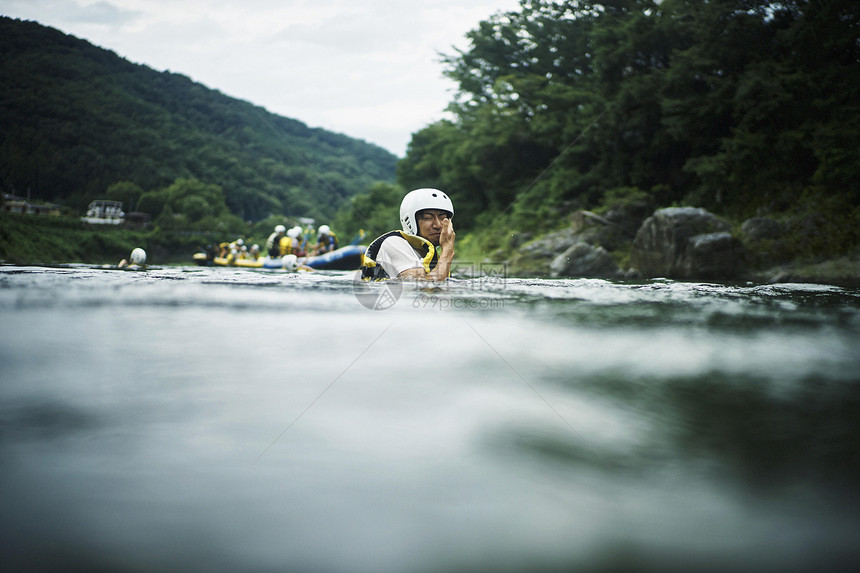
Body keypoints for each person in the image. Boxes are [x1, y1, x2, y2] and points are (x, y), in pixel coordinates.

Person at [359, 188, 455, 281]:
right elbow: (422, 286)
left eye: (442, 216)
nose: (438, 225)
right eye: (428, 217)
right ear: (410, 220)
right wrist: (447, 250)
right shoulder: (394, 243)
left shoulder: (435, 258)